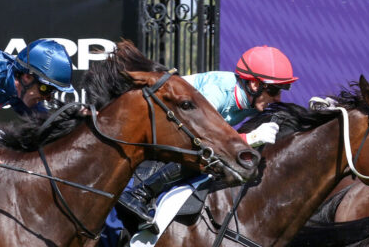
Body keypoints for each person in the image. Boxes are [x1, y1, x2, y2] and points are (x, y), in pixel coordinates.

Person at [119, 45, 297, 230]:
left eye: (282, 90)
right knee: (206, 155)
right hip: (145, 126)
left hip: (174, 130)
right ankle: (140, 193)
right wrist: (248, 138)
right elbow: (198, 141)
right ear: (254, 85)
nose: (278, 98)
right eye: (274, 90)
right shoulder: (217, 92)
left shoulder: (254, 100)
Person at [0, 39, 75, 170]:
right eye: (46, 89)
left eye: (53, 92)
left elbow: (43, 123)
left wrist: (81, 120)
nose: (47, 98)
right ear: (27, 77)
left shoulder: (18, 85)